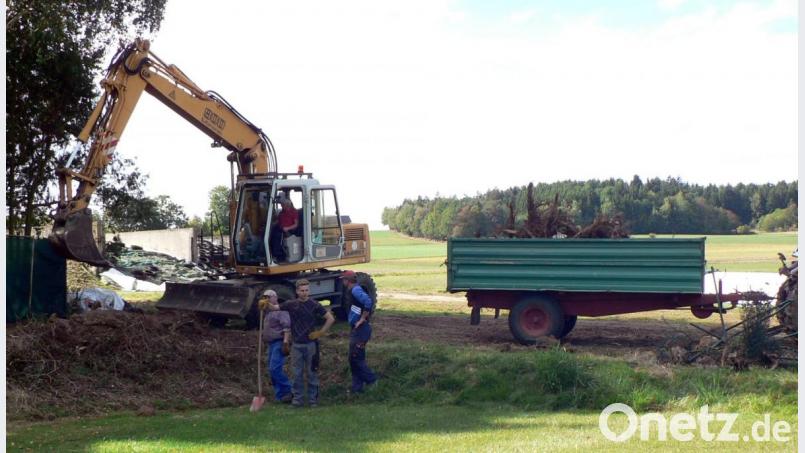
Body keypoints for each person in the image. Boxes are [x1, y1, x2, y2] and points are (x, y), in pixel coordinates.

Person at [266, 279, 334, 408]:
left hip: (311, 345)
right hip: (296, 345)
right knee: (297, 374)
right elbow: (275, 307)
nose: (304, 293)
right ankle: (297, 401)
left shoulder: (314, 304)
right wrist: (265, 303)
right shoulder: (291, 304)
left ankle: (313, 401)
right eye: (302, 291)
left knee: (311, 373)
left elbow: (330, 319)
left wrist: (320, 332)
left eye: (307, 290)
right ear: (297, 291)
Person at [341, 270, 378, 394]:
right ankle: (357, 388)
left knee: (355, 358)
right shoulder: (353, 290)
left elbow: (368, 301)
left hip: (361, 329)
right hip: (357, 329)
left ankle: (372, 380)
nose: (342, 281)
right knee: (354, 359)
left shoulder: (355, 290)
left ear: (347, 280)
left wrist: (362, 319)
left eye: (343, 279)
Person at [259, 289, 292, 403]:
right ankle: (280, 396)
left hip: (279, 342)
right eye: (264, 297)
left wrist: (285, 342)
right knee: (271, 370)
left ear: (275, 298)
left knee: (275, 368)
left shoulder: (281, 311)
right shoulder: (266, 312)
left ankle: (289, 389)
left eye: (269, 297)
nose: (266, 300)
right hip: (270, 343)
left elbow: (287, 326)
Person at [269, 193, 299, 262]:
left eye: (283, 205)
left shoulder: (294, 212)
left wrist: (287, 228)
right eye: (281, 205)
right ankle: (270, 254)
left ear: (287, 205)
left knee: (277, 235)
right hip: (280, 228)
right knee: (267, 234)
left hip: (289, 230)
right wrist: (270, 226)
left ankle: (278, 255)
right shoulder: (282, 213)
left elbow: (296, 224)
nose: (282, 206)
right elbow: (277, 221)